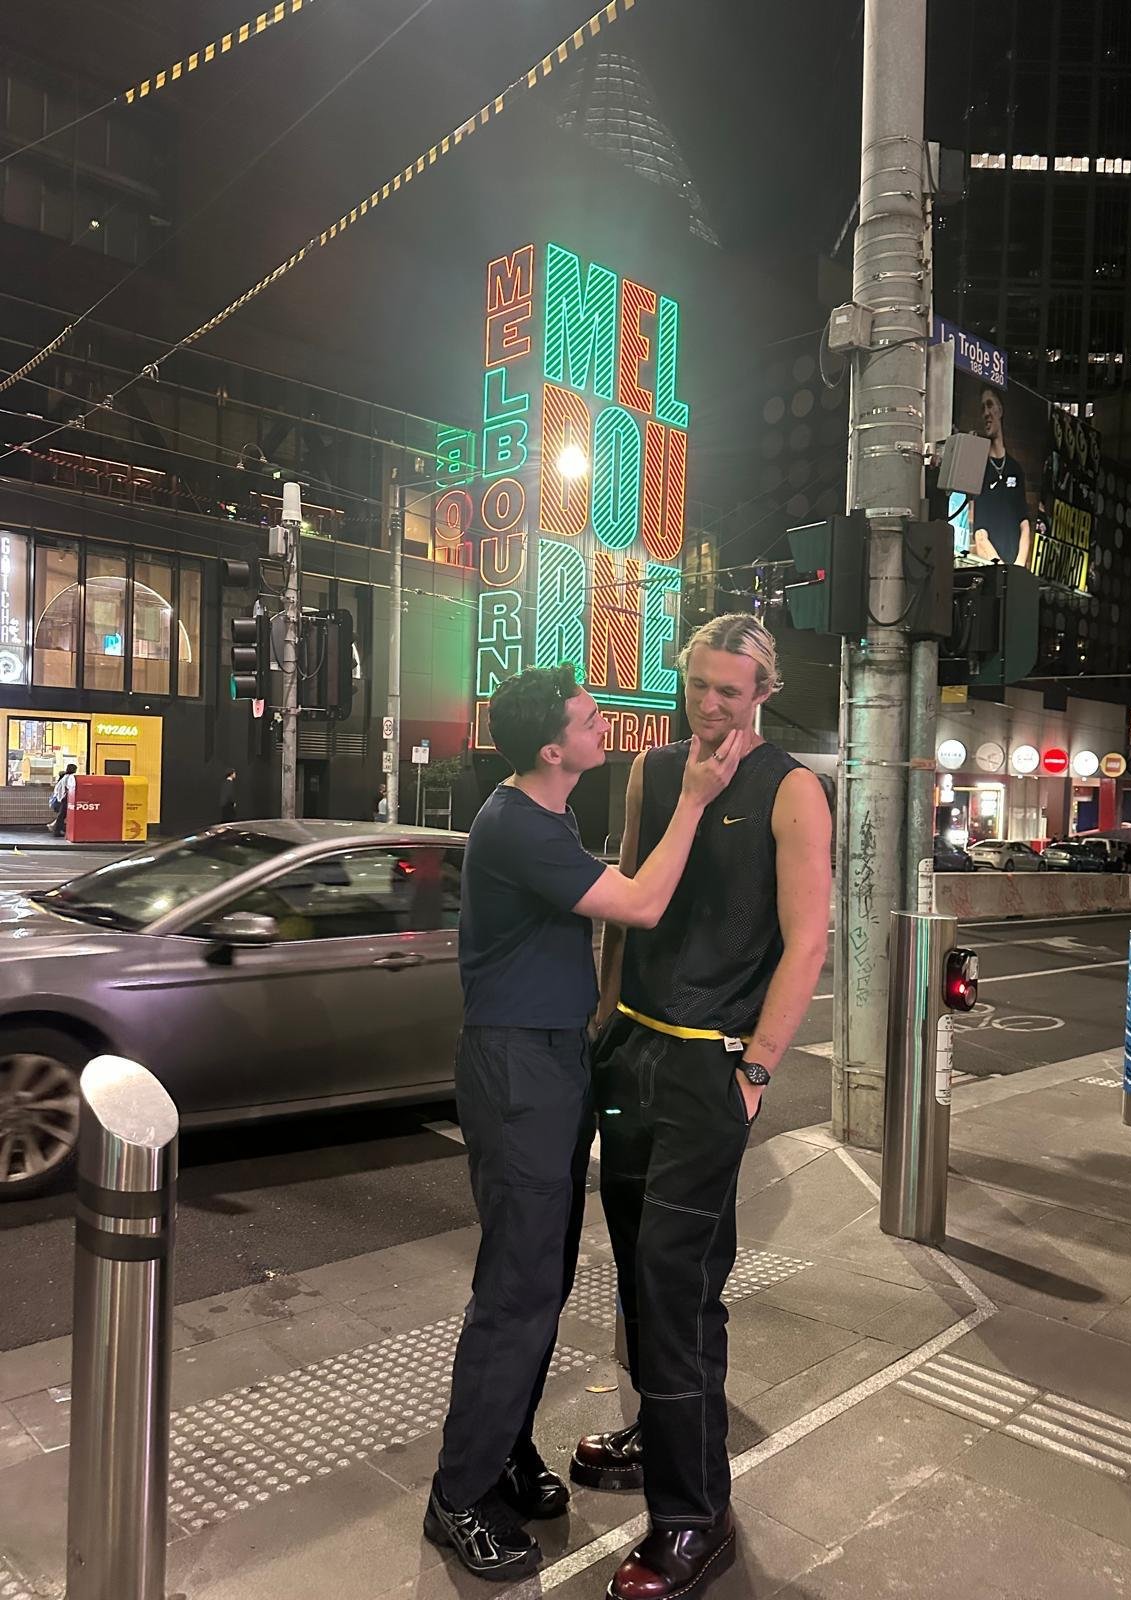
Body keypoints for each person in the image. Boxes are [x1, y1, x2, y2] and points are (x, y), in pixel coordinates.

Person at [424, 663, 745, 1584]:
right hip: (518, 1067)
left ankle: (504, 1455)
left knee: (545, 1278)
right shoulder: (517, 823)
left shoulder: (546, 814)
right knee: (519, 1290)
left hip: (555, 1061)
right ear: (551, 747)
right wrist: (692, 802)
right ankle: (458, 1496)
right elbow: (639, 905)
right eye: (591, 717)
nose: (608, 726)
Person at [572, 614, 831, 1600]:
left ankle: (695, 1516)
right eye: (699, 685)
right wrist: (605, 1026)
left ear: (763, 689)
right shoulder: (654, 772)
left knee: (676, 1284)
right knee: (644, 1269)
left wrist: (757, 1069)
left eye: (730, 689)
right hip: (634, 1051)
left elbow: (806, 941)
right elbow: (636, 899)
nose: (710, 704)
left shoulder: (790, 788)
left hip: (710, 1068)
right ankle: (659, 1427)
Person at [971, 385, 1031, 567]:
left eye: (990, 405)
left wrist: (1018, 567)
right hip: (992, 570)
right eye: (982, 409)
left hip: (1014, 570)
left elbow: (1024, 524)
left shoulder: (1015, 468)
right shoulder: (978, 468)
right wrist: (1001, 570)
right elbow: (980, 533)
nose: (986, 413)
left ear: (1000, 410)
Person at [47, 763, 77, 837]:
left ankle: (57, 829)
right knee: (62, 816)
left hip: (61, 798)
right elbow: (69, 788)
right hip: (65, 799)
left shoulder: (65, 777)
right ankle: (56, 830)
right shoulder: (69, 778)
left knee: (62, 816)